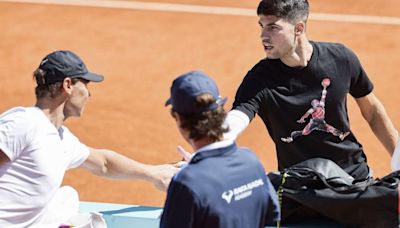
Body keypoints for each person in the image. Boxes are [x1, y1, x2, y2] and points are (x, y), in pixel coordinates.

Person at [0, 50, 179, 227]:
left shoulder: (61, 139)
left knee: (68, 198)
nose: (89, 94)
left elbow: (104, 163)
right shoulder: (25, 122)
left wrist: (154, 173)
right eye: (86, 85)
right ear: (68, 85)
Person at [224, 0, 398, 181]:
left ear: (298, 29)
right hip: (301, 188)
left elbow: (372, 111)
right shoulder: (259, 79)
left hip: (353, 177)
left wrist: (398, 160)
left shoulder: (340, 59)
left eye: (273, 27)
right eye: (262, 26)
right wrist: (217, 141)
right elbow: (238, 117)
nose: (263, 35)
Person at [160, 71, 280, 228]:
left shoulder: (187, 183)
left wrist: (194, 172)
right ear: (220, 111)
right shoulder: (251, 161)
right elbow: (271, 217)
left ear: (178, 118)